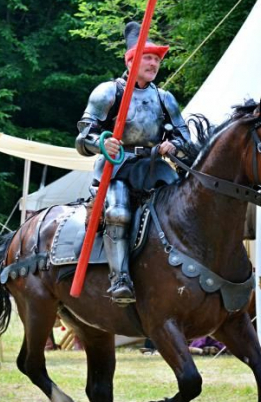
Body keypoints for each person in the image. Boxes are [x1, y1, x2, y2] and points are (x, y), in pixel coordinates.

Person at [75, 21, 190, 305]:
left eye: (157, 59)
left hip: (154, 166)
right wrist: (102, 143)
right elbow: (82, 138)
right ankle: (120, 279)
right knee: (118, 213)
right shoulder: (108, 92)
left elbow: (185, 138)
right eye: (148, 58)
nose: (154, 64)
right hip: (118, 166)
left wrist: (174, 145)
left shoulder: (164, 99)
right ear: (131, 61)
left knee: (184, 206)